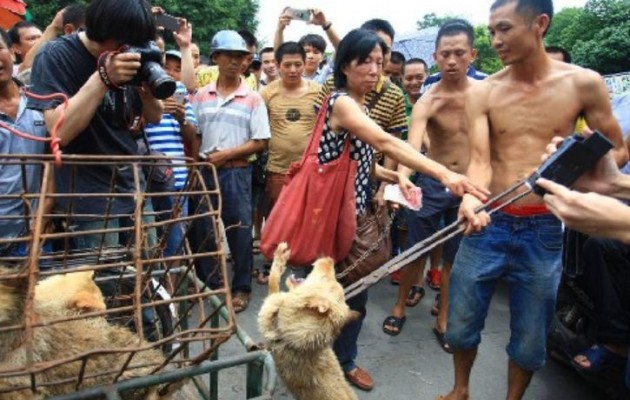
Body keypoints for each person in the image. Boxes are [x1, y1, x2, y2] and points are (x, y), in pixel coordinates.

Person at [439, 0, 628, 399]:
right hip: (488, 221)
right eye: (492, 31)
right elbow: (480, 161)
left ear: (539, 24)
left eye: (505, 29)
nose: (495, 40)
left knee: (530, 339)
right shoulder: (483, 91)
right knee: (460, 325)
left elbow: (617, 150)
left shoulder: (583, 83)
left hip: (544, 227)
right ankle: (460, 390)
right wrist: (470, 198)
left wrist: (582, 175)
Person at [315, 28, 487, 393]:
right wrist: (442, 172)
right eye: (365, 61)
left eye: (379, 62)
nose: (374, 70)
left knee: (355, 293)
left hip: (353, 215)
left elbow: (363, 163)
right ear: (344, 65)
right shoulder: (341, 102)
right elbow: (385, 141)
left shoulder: (359, 106)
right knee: (325, 295)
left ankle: (343, 361)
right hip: (328, 216)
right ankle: (315, 365)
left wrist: (394, 176)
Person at [27, 0, 164, 250]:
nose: (129, 48)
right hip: (88, 193)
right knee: (103, 272)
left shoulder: (130, 52)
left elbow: (155, 116)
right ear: (104, 30)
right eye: (125, 41)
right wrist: (103, 78)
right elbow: (59, 132)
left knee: (149, 265)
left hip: (131, 184)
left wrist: (148, 86)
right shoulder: (55, 55)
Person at [383, 21, 483, 356]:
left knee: (455, 258)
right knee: (415, 250)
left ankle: (443, 319)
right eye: (445, 54)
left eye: (459, 53)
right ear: (435, 56)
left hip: (470, 188)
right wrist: (402, 178)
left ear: (472, 54)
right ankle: (399, 305)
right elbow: (412, 148)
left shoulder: (485, 95)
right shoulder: (428, 100)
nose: (452, 60)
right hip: (432, 183)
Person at [190, 30, 271, 313]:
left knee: (239, 231)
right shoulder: (201, 96)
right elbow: (195, 134)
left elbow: (261, 141)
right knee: (203, 230)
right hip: (204, 171)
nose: (236, 62)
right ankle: (210, 286)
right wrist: (194, 166)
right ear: (216, 58)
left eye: (241, 57)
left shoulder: (253, 98)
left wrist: (226, 154)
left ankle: (241, 288)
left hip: (236, 172)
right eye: (230, 56)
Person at [256, 41, 321, 283]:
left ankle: (305, 263)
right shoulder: (267, 93)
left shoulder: (318, 92)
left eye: (298, 64)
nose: (293, 70)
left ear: (305, 64)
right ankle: (274, 263)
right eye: (287, 65)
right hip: (277, 168)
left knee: (309, 218)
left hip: (310, 170)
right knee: (277, 217)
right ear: (278, 65)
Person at [0, 27, 51, 260]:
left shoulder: (40, 101)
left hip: (34, 232)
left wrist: (43, 219)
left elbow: (52, 164)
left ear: (12, 52)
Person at [144, 49, 198, 259]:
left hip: (178, 179)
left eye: (177, 69)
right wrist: (154, 111)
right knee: (148, 244)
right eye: (166, 67)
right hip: (147, 180)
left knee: (175, 243)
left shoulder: (180, 91)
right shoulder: (142, 90)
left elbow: (192, 136)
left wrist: (181, 118)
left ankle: (174, 279)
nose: (170, 73)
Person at [273, 8, 340, 84]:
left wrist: (325, 24)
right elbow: (279, 54)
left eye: (316, 52)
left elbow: (341, 48)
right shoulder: (291, 73)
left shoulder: (326, 74)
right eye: (307, 51)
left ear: (323, 57)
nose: (311, 56)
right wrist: (280, 29)